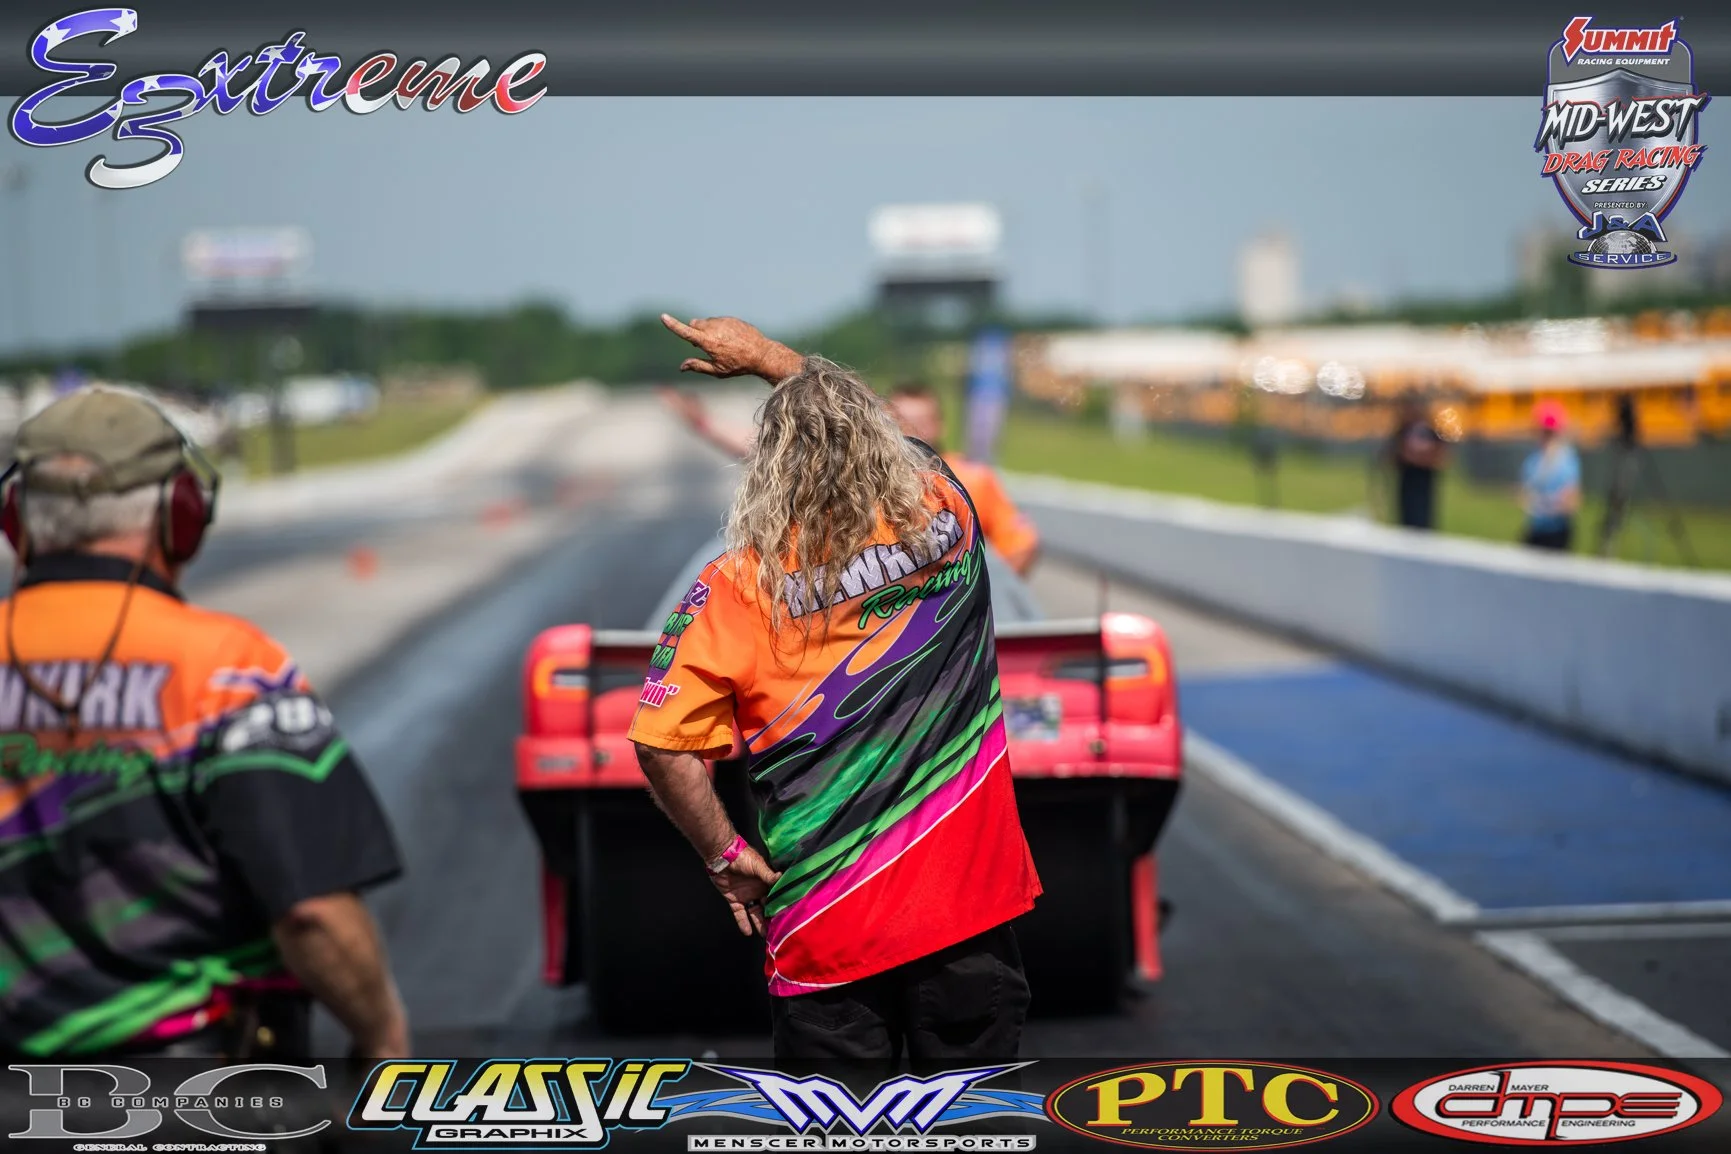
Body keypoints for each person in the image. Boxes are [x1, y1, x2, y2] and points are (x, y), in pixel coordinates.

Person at [632, 315, 1041, 1065]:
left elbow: (662, 748)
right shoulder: (949, 513)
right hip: (969, 914)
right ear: (876, 443)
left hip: (827, 930)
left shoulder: (735, 586)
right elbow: (897, 435)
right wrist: (767, 356)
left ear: (768, 468)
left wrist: (725, 855)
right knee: (976, 1119)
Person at [0, 386, 410, 1060]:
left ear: (16, 519)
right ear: (181, 514)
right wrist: (380, 1036)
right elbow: (312, 914)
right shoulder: (228, 670)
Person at [660, 380, 1042, 576]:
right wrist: (705, 424)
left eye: (922, 422)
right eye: (901, 421)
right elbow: (779, 453)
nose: (913, 431)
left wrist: (981, 596)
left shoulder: (971, 479)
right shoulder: (866, 481)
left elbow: (1021, 544)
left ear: (940, 425)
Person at [1520, 400, 1582, 552]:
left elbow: (1572, 502)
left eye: (1549, 433)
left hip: (1557, 534)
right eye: (1543, 431)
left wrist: (1552, 505)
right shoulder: (1533, 461)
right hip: (1536, 531)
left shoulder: (1567, 462)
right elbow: (1525, 494)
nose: (1545, 437)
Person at [1388, 396, 1448, 530]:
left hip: (1425, 478)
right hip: (1408, 477)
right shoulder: (1405, 429)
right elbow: (1394, 454)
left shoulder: (1432, 430)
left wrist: (1423, 458)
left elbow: (1442, 455)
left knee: (1423, 513)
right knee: (1407, 514)